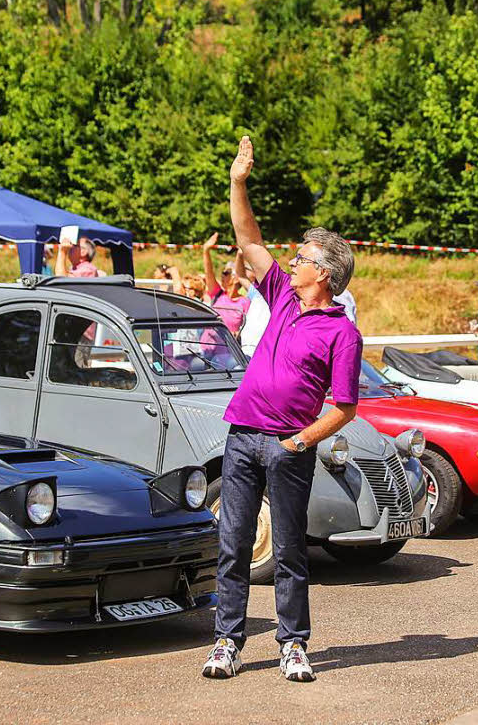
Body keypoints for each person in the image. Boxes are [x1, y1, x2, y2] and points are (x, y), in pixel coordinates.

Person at [201, 136, 362, 683]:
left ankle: (293, 644)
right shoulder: (284, 297)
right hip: (242, 435)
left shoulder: (343, 332)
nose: (292, 264)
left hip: (289, 445)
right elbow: (248, 238)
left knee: (291, 549)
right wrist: (237, 181)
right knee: (234, 543)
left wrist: (299, 441)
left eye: (303, 260)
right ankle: (228, 641)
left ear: (325, 274)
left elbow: (345, 408)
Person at [203, 232, 251, 338]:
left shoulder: (245, 302)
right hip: (207, 349)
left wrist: (238, 334)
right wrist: (206, 250)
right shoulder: (218, 294)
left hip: (228, 352)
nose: (221, 275)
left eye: (225, 273)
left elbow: (249, 328)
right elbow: (208, 273)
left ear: (236, 279)